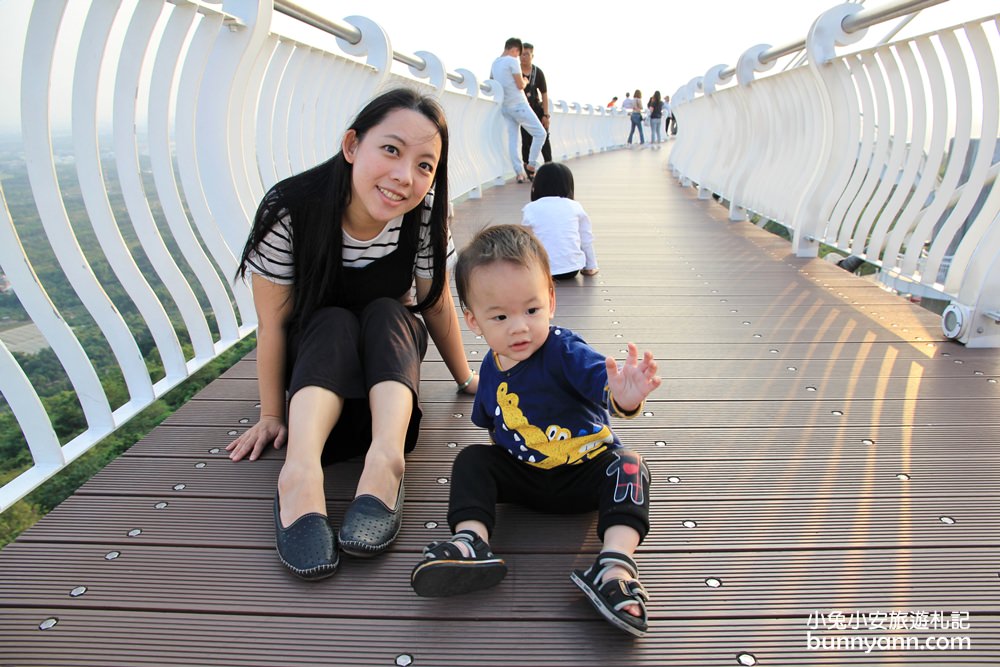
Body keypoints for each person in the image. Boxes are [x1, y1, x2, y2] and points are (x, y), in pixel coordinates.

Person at [228, 88, 478, 581]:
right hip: (315, 400)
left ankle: (386, 464)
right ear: (351, 146)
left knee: (391, 310)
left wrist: (467, 376)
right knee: (331, 318)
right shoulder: (292, 210)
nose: (405, 177)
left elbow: (432, 303)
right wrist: (272, 415)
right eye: (391, 149)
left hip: (384, 399)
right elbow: (274, 323)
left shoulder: (425, 215)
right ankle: (299, 474)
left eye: (425, 165)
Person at [410, 225, 661, 638]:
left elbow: (603, 381)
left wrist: (626, 396)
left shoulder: (564, 350)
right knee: (472, 459)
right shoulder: (490, 370)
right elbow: (494, 428)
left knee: (630, 465)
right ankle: (470, 541)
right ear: (474, 321)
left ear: (551, 300)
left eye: (531, 310)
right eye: (501, 316)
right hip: (526, 477)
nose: (519, 327)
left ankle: (614, 566)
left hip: (586, 475)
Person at [520, 162, 598, 280]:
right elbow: (586, 238)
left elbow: (525, 240)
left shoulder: (531, 208)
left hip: (542, 270)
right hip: (571, 269)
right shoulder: (574, 206)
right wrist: (591, 266)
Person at [490, 37, 547, 183]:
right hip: (519, 105)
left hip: (505, 107)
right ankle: (531, 165)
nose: (519, 58)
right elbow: (520, 85)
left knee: (513, 140)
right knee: (540, 133)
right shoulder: (512, 60)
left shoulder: (495, 63)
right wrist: (526, 80)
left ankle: (519, 172)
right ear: (515, 50)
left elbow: (492, 83)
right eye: (518, 54)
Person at [519, 43, 552, 174]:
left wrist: (546, 115)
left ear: (532, 55)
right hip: (523, 110)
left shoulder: (537, 72)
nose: (524, 57)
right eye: (521, 54)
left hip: (537, 110)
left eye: (527, 54)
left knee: (544, 137)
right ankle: (529, 170)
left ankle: (549, 166)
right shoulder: (516, 71)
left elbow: (544, 94)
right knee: (526, 140)